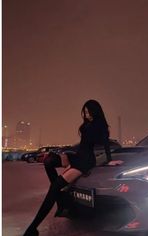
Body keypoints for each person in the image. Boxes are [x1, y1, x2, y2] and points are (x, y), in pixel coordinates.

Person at [23, 99, 114, 236]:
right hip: (77, 156)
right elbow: (81, 145)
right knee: (49, 161)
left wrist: (109, 160)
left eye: (88, 112)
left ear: (95, 111)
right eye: (84, 112)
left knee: (54, 187)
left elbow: (106, 144)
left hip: (85, 161)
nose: (86, 114)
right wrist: (66, 153)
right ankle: (60, 199)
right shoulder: (87, 125)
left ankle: (32, 228)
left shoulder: (100, 125)